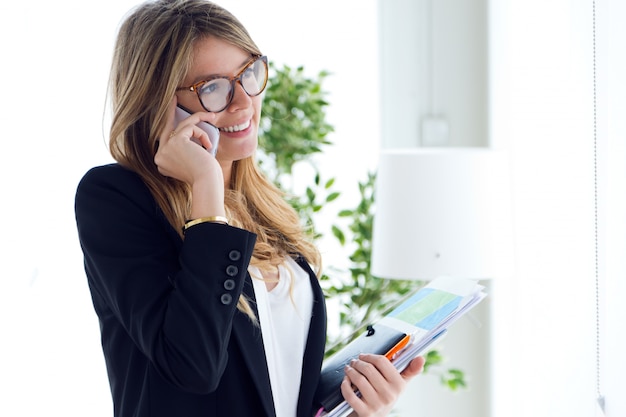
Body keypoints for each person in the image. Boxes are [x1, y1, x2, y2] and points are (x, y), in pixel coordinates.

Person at [74, 1, 425, 416]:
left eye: (249, 74)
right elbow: (192, 366)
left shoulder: (265, 207)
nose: (243, 102)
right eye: (213, 88)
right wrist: (205, 186)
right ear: (158, 102)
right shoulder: (115, 196)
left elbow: (277, 384)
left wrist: (355, 402)